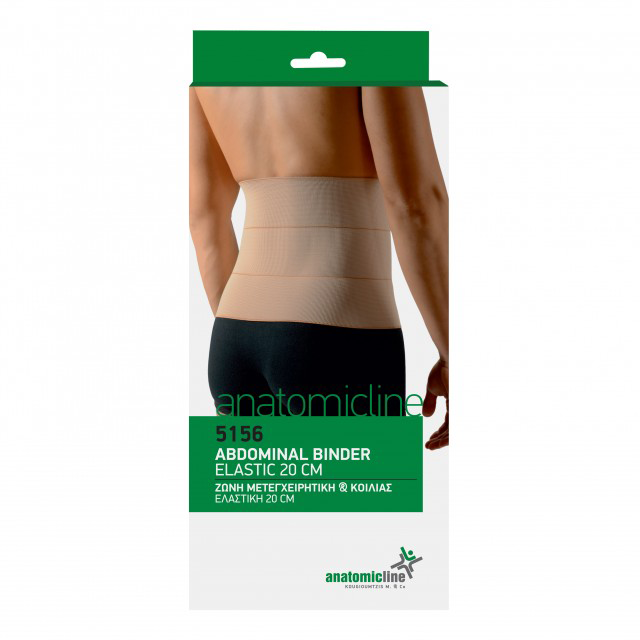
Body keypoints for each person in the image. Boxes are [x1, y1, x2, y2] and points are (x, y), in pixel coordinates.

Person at [189, 87, 448, 449]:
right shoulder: (371, 55)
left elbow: (205, 218)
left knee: (269, 488)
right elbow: (415, 204)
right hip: (337, 337)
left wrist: (261, 336)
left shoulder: (213, 69)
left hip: (234, 340)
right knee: (364, 486)